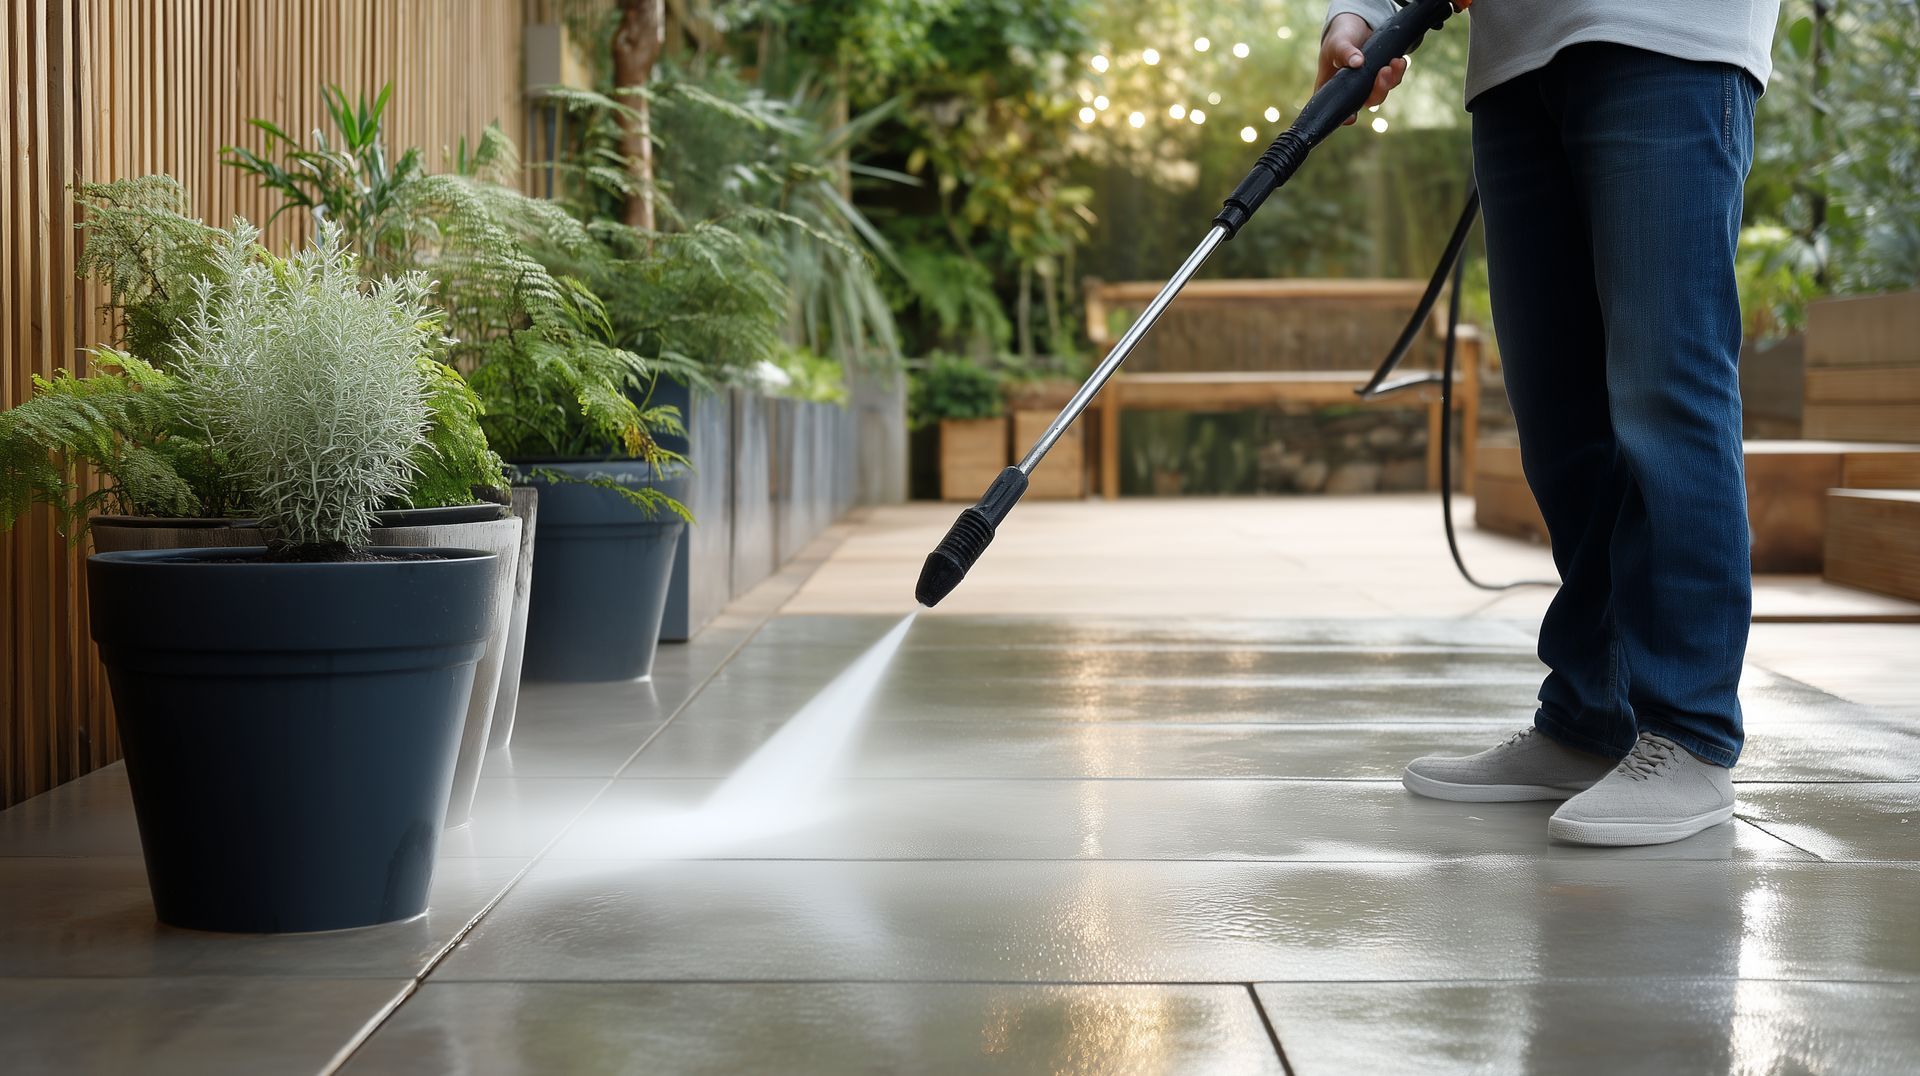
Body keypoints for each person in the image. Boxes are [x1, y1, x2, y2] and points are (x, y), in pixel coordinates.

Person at [1319, 0, 1780, 846]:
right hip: (1513, 63)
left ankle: (1691, 730)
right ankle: (1587, 718)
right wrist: (1366, 10)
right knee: (1558, 415)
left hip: (1668, 39)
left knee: (1664, 394)